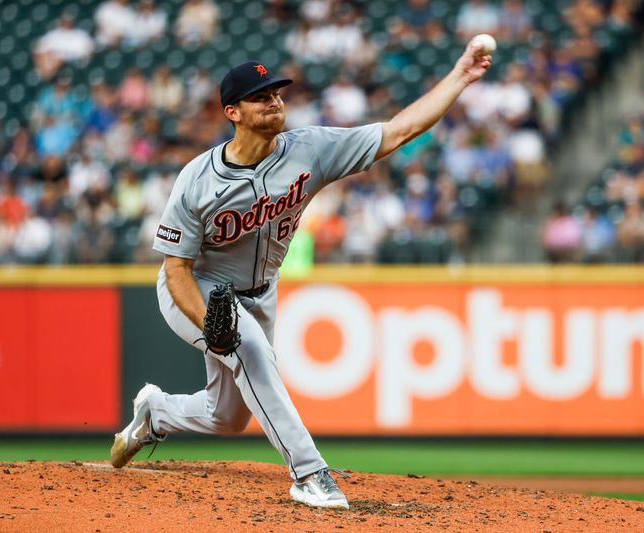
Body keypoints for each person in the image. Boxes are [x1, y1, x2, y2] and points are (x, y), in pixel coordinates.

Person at [109, 41, 493, 508]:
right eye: (260, 96)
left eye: (277, 94)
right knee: (250, 351)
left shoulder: (310, 149)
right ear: (233, 111)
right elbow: (176, 270)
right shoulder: (197, 179)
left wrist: (459, 76)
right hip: (194, 291)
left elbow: (397, 131)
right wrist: (213, 326)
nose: (274, 102)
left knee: (227, 417)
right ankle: (309, 473)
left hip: (260, 293)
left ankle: (157, 413)